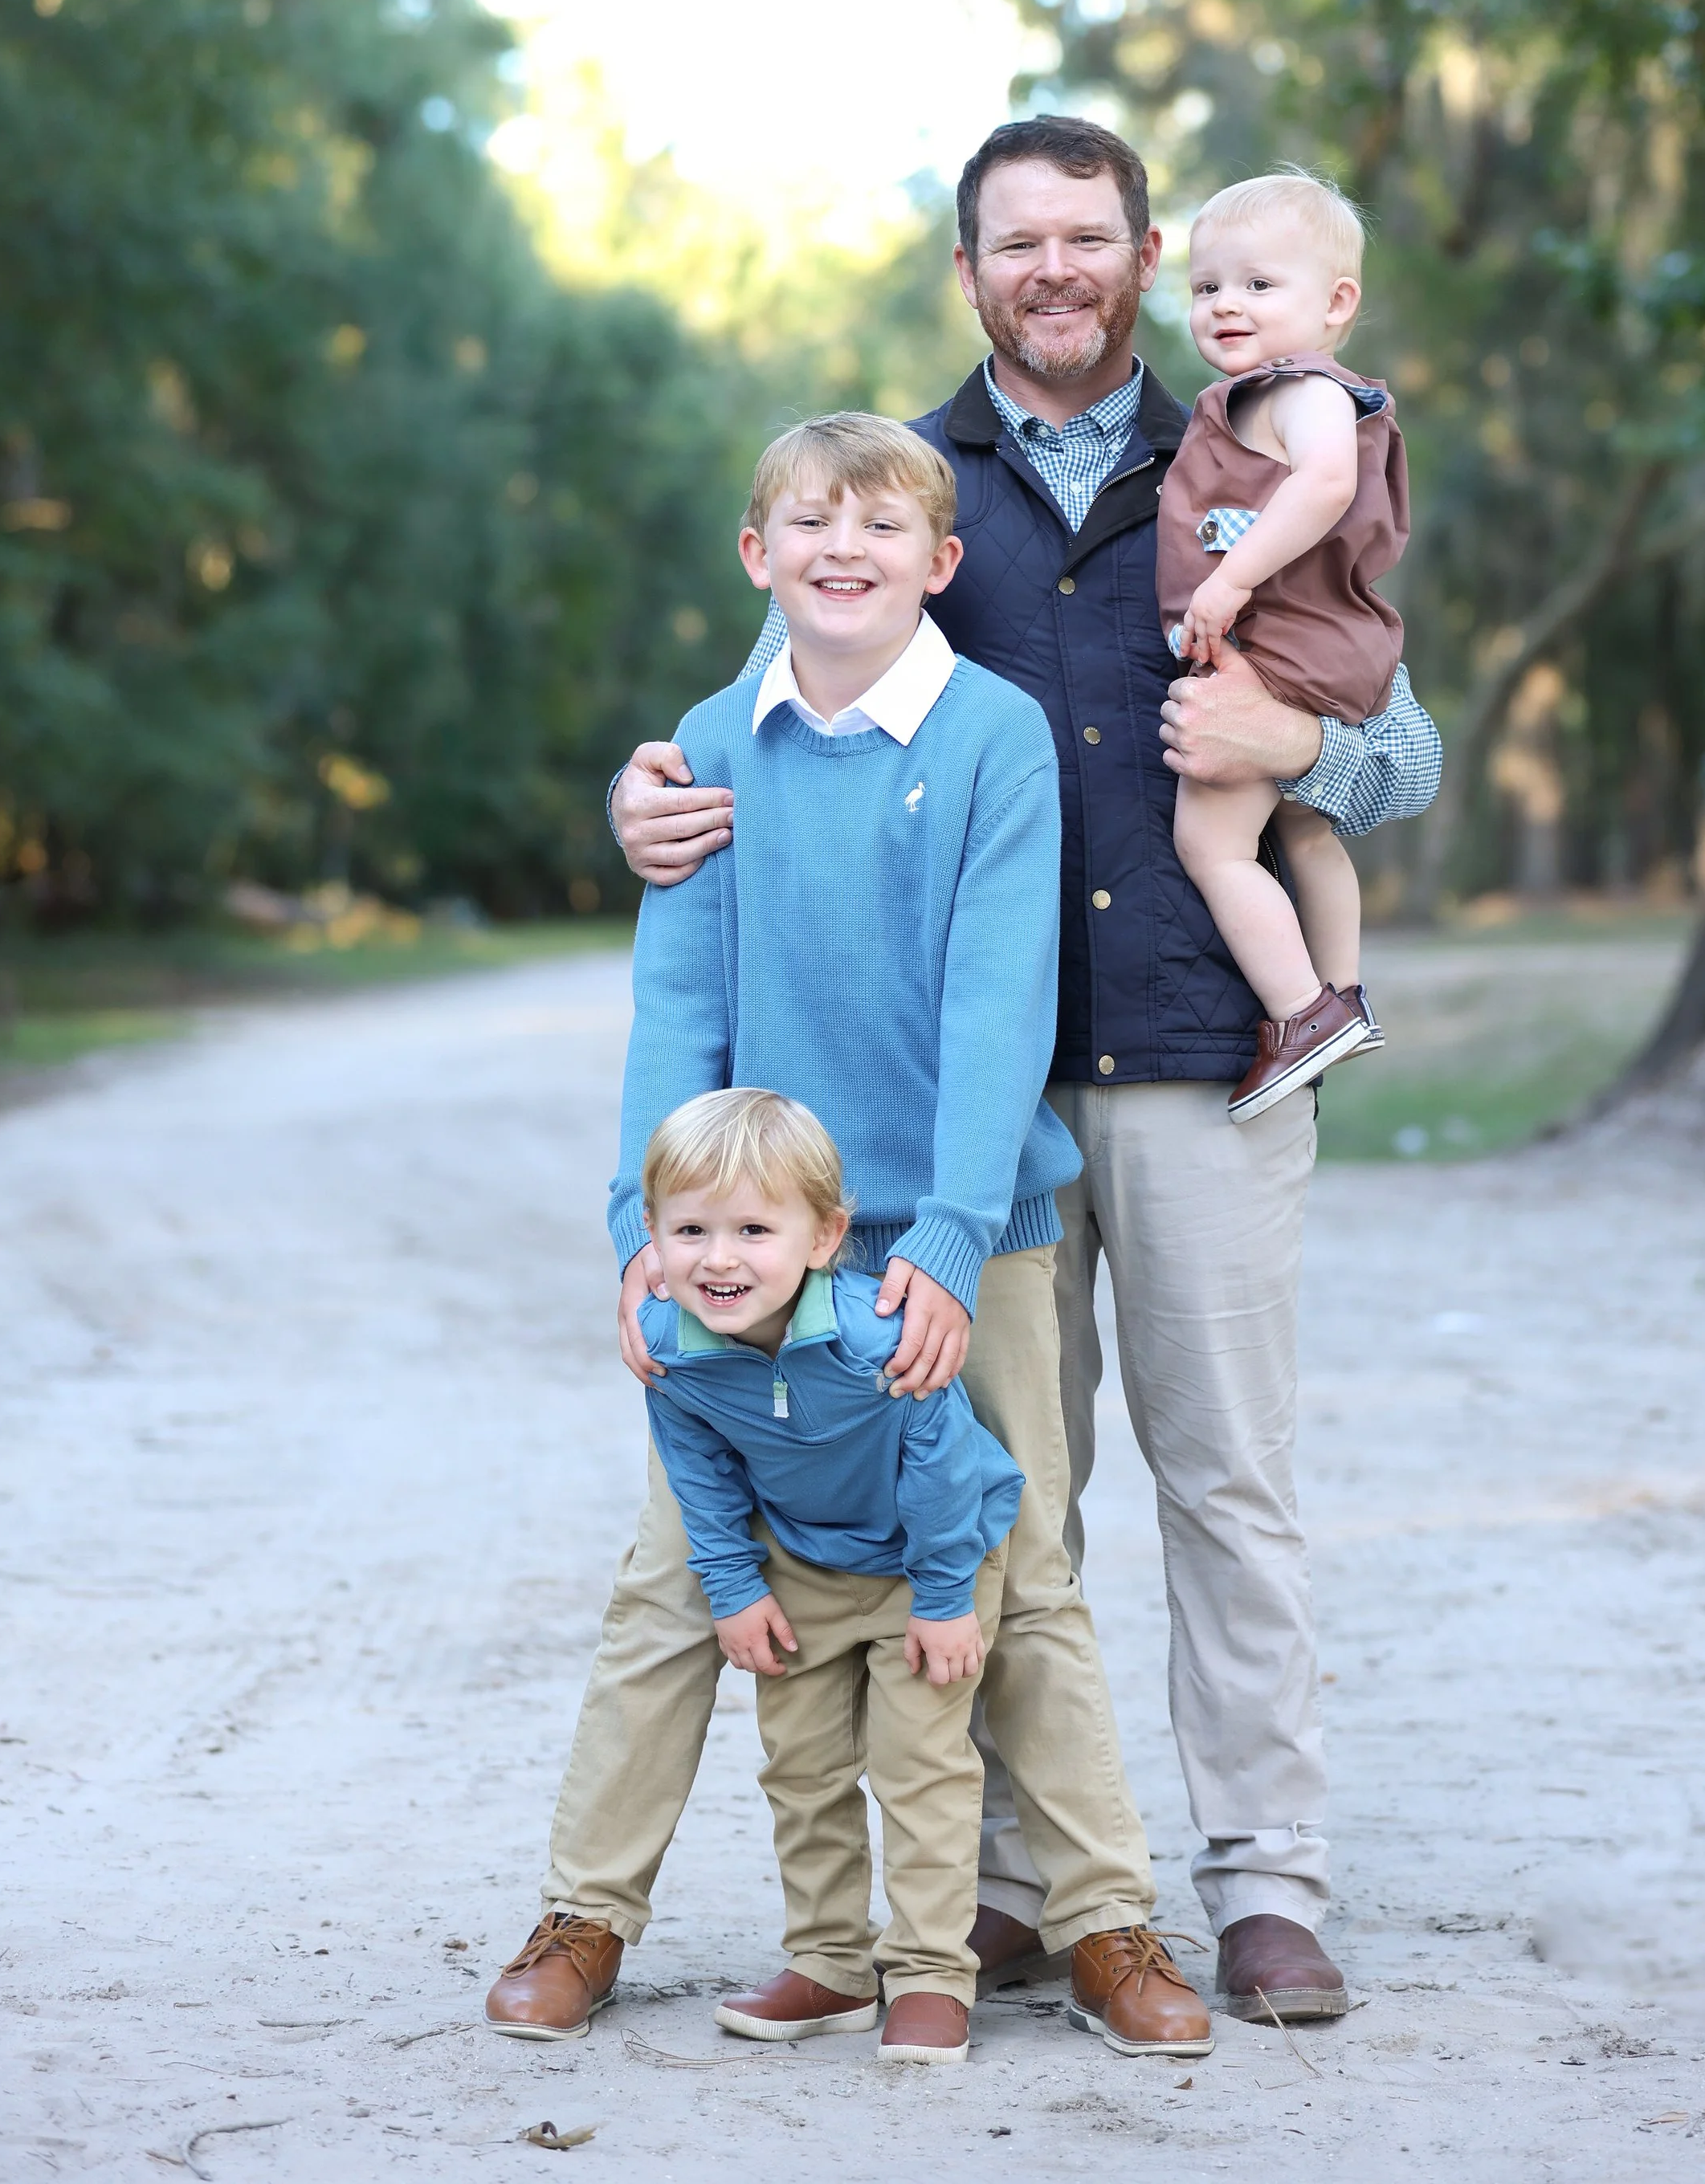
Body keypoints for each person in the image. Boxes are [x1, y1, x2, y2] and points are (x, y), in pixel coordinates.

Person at [610, 117, 1369, 2026]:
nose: (1054, 267)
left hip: (1206, 1048)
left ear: (1139, 259)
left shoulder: (1253, 452)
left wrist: (1304, 734)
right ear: (970, 269)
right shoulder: (895, 480)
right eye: (1016, 239)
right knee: (1014, 1487)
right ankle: (1025, 1880)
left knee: (1230, 1478)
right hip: (973, 1109)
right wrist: (637, 794)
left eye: (1088, 238)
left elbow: (1396, 740)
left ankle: (1265, 1881)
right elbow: (760, 719)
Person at [485, 410, 1211, 2064]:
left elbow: (993, 1001)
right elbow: (675, 1004)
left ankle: (1106, 1927)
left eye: (878, 529)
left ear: (937, 566)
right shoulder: (706, 746)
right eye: (805, 525)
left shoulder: (990, 737)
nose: (840, 550)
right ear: (757, 558)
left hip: (963, 1236)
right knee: (674, 1584)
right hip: (749, 1247)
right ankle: (586, 1912)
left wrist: (949, 1244)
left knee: (1018, 1580)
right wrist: (641, 1236)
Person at [635, 1086, 1022, 2064]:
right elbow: (700, 1473)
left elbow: (940, 1465)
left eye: (753, 1229)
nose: (718, 1258)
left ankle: (931, 1973)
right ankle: (830, 1966)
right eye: (690, 1230)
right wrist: (733, 1587)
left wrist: (942, 1600)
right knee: (800, 1768)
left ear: (823, 1237)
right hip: (800, 1562)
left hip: (928, 1560)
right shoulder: (675, 1355)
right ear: (652, 1236)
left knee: (922, 1766)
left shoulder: (876, 1338)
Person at [1157, 169, 1442, 1123]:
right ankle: (1345, 992)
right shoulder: (1255, 398)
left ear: (1336, 304)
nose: (1226, 303)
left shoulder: (1304, 391)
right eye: (1207, 288)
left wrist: (1230, 581)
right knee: (1301, 825)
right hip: (1317, 650)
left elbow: (1323, 487)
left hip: (1284, 653)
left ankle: (1299, 1013)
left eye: (1258, 284)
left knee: (1210, 839)